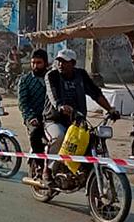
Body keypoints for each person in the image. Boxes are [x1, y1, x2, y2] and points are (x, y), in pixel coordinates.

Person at [43, 49, 118, 177]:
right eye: (59, 61)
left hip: (77, 120)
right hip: (54, 119)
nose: (60, 64)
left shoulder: (81, 75)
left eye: (64, 62)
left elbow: (96, 93)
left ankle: (82, 170)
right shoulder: (52, 75)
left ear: (73, 63)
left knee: (91, 141)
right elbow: (53, 94)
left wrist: (110, 109)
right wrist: (61, 106)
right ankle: (48, 170)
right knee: (59, 137)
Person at [18, 49, 49, 175]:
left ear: (46, 63)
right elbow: (23, 103)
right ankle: (40, 165)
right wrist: (30, 117)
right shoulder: (25, 80)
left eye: (39, 63)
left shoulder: (51, 78)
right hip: (33, 117)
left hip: (51, 117)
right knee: (35, 133)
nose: (35, 66)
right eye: (33, 63)